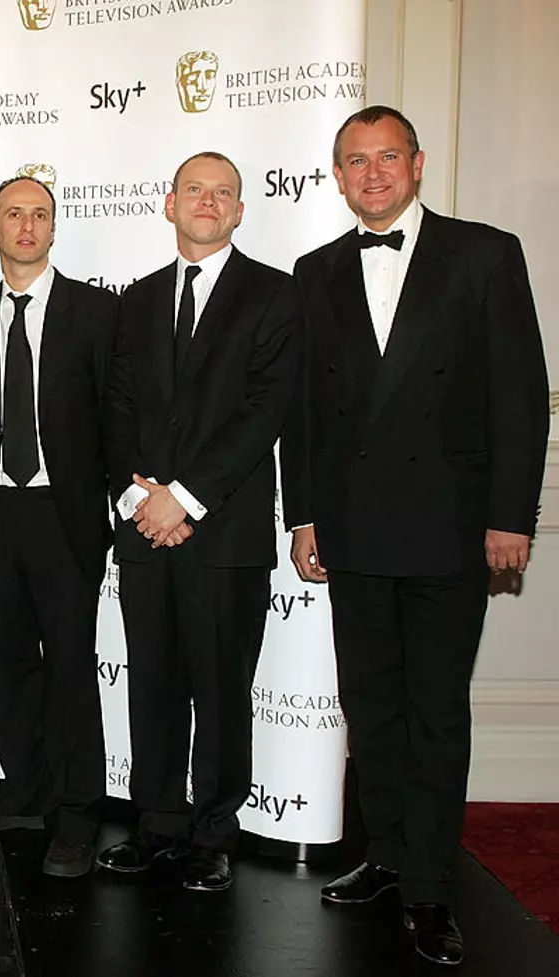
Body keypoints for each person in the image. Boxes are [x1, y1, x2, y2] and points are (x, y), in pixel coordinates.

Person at [282, 106, 548, 966]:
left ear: (418, 163)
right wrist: (305, 513)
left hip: (450, 527)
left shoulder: (485, 253)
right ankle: (389, 852)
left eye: (386, 157)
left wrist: (511, 513)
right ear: (337, 175)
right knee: (373, 708)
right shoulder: (314, 270)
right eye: (354, 161)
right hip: (355, 530)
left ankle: (432, 886)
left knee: (435, 712)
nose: (372, 173)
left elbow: (519, 391)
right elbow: (306, 412)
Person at [98, 152, 299, 892]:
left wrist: (182, 497)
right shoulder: (138, 300)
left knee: (219, 689)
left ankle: (215, 831)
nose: (207, 202)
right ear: (168, 203)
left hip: (225, 534)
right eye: (194, 190)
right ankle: (157, 823)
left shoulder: (275, 296)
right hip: (145, 531)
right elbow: (115, 405)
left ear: (241, 211)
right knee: (152, 682)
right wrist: (136, 497)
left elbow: (264, 413)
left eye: (223, 193)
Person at [0, 176, 117, 879]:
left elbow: (119, 417)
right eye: (12, 213)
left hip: (66, 513)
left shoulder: (95, 311)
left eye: (39, 214)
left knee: (73, 667)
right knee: (10, 657)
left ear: (54, 228)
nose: (26, 224)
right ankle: (24, 790)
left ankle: (79, 815)